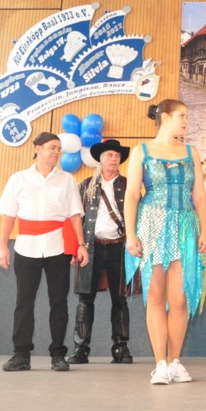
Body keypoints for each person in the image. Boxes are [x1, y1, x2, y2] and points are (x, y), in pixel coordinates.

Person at [125, 99, 206, 385]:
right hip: (152, 224)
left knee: (180, 298)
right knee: (155, 295)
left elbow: (199, 195)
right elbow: (132, 195)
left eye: (187, 116)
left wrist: (205, 231)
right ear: (165, 117)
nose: (186, 121)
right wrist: (130, 234)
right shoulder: (142, 151)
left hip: (185, 226)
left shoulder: (191, 152)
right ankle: (160, 364)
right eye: (182, 116)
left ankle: (175, 362)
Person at [0, 132, 89, 372]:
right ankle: (21, 354)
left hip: (58, 248)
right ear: (37, 148)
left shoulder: (67, 180)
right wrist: (2, 246)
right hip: (26, 247)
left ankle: (58, 354)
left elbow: (75, 215)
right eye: (52, 147)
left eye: (59, 148)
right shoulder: (18, 179)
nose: (57, 152)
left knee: (59, 302)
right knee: (24, 302)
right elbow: (8, 215)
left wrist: (81, 245)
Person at [68, 139, 133, 365]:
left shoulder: (129, 185)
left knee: (120, 299)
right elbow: (76, 218)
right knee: (85, 299)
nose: (113, 159)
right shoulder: (86, 185)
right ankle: (80, 349)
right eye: (109, 155)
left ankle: (121, 349)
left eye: (117, 155)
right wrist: (76, 247)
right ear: (101, 159)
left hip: (120, 248)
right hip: (91, 248)